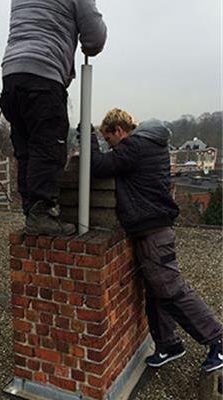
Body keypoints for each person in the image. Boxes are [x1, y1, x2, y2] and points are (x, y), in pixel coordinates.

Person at [90, 108, 223, 372]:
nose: (109, 146)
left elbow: (100, 166)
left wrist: (88, 139)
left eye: (108, 140)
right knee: (157, 291)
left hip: (153, 233)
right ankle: (168, 344)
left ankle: (218, 340)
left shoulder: (135, 146)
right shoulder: (150, 144)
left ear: (119, 130)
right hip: (152, 230)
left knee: (172, 290)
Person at [0, 0, 107, 236]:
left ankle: (32, 213)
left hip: (11, 75)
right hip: (44, 74)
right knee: (49, 148)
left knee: (27, 149)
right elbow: (95, 39)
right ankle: (41, 215)